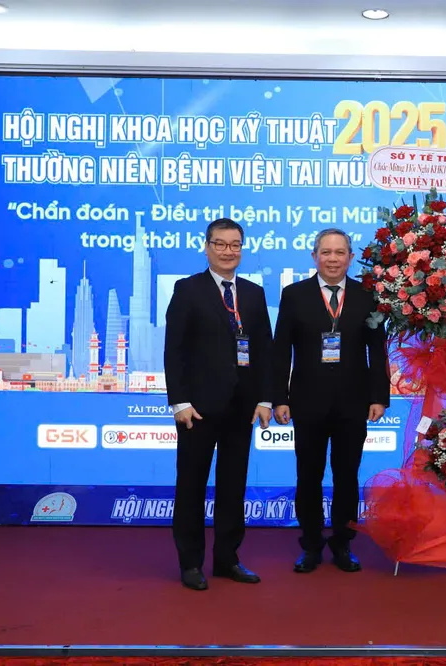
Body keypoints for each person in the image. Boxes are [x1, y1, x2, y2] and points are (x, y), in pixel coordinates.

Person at [164, 218, 274, 591]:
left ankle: (228, 560)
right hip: (197, 409)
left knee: (233, 487)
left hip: (241, 409)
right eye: (221, 244)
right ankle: (191, 564)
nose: (229, 251)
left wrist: (263, 398)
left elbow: (264, 351)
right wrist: (178, 402)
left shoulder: (255, 294)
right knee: (191, 486)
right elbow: (174, 351)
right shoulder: (188, 289)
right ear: (207, 247)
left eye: (235, 244)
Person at [273, 228, 390, 573]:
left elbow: (377, 350)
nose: (333, 259)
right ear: (314, 256)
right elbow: (281, 352)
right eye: (326, 252)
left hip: (353, 403)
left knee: (346, 476)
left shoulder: (369, 297)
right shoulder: (294, 295)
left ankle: (342, 543)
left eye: (340, 253)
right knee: (307, 476)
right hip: (306, 403)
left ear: (351, 258)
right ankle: (310, 545)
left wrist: (379, 397)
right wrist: (280, 398)